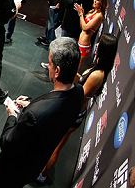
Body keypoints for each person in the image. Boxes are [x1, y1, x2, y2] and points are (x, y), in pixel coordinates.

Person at [0, 37, 84, 188]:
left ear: (57, 71)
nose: (48, 68)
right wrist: (29, 105)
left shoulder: (35, 115)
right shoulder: (78, 92)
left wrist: (12, 116)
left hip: (11, 172)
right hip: (33, 167)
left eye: (50, 64)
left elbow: (7, 142)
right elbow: (50, 115)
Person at [37, 34, 118, 183]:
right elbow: (80, 82)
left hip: (74, 114)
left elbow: (80, 94)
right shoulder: (96, 67)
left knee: (57, 144)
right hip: (73, 111)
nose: (97, 45)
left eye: (100, 44)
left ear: (104, 49)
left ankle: (42, 175)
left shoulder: (98, 75)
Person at [74, 0, 107, 73]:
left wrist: (81, 15)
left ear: (102, 2)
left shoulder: (99, 16)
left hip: (84, 44)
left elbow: (85, 27)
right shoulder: (93, 11)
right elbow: (82, 26)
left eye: (98, 0)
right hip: (80, 40)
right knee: (75, 64)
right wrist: (81, 15)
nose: (95, 1)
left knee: (77, 67)